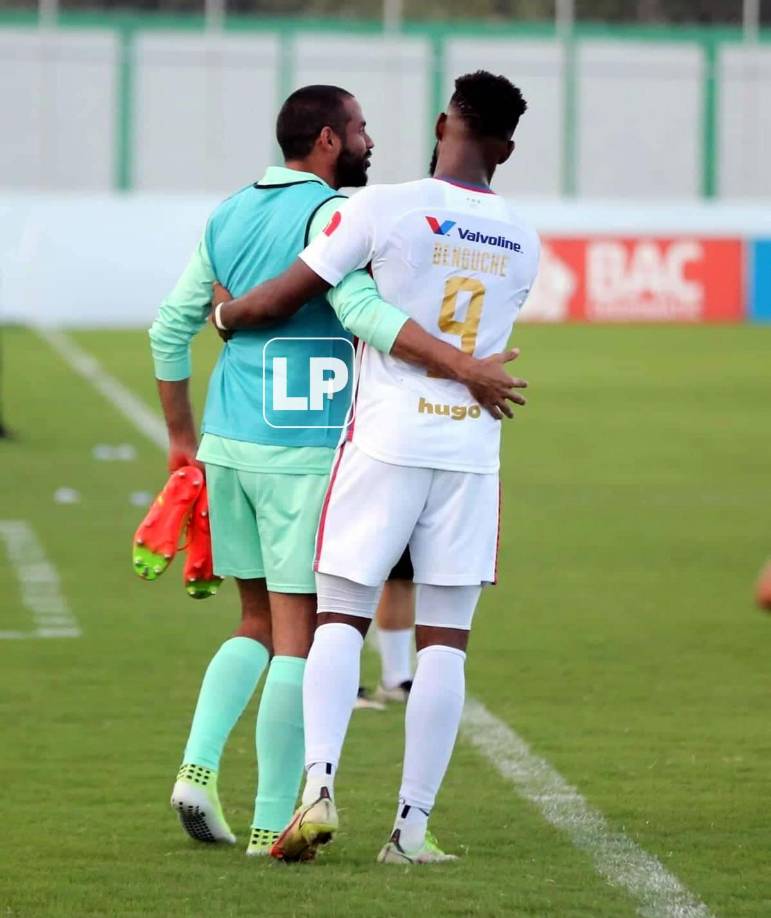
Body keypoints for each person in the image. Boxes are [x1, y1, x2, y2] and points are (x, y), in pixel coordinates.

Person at [151, 84, 522, 857]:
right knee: (307, 636)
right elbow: (357, 310)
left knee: (254, 621)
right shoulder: (340, 213)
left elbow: (169, 326)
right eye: (358, 129)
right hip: (319, 445)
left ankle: (198, 767)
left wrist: (182, 439)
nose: (368, 141)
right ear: (326, 141)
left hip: (228, 441)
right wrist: (462, 365)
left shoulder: (228, 213)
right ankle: (272, 824)